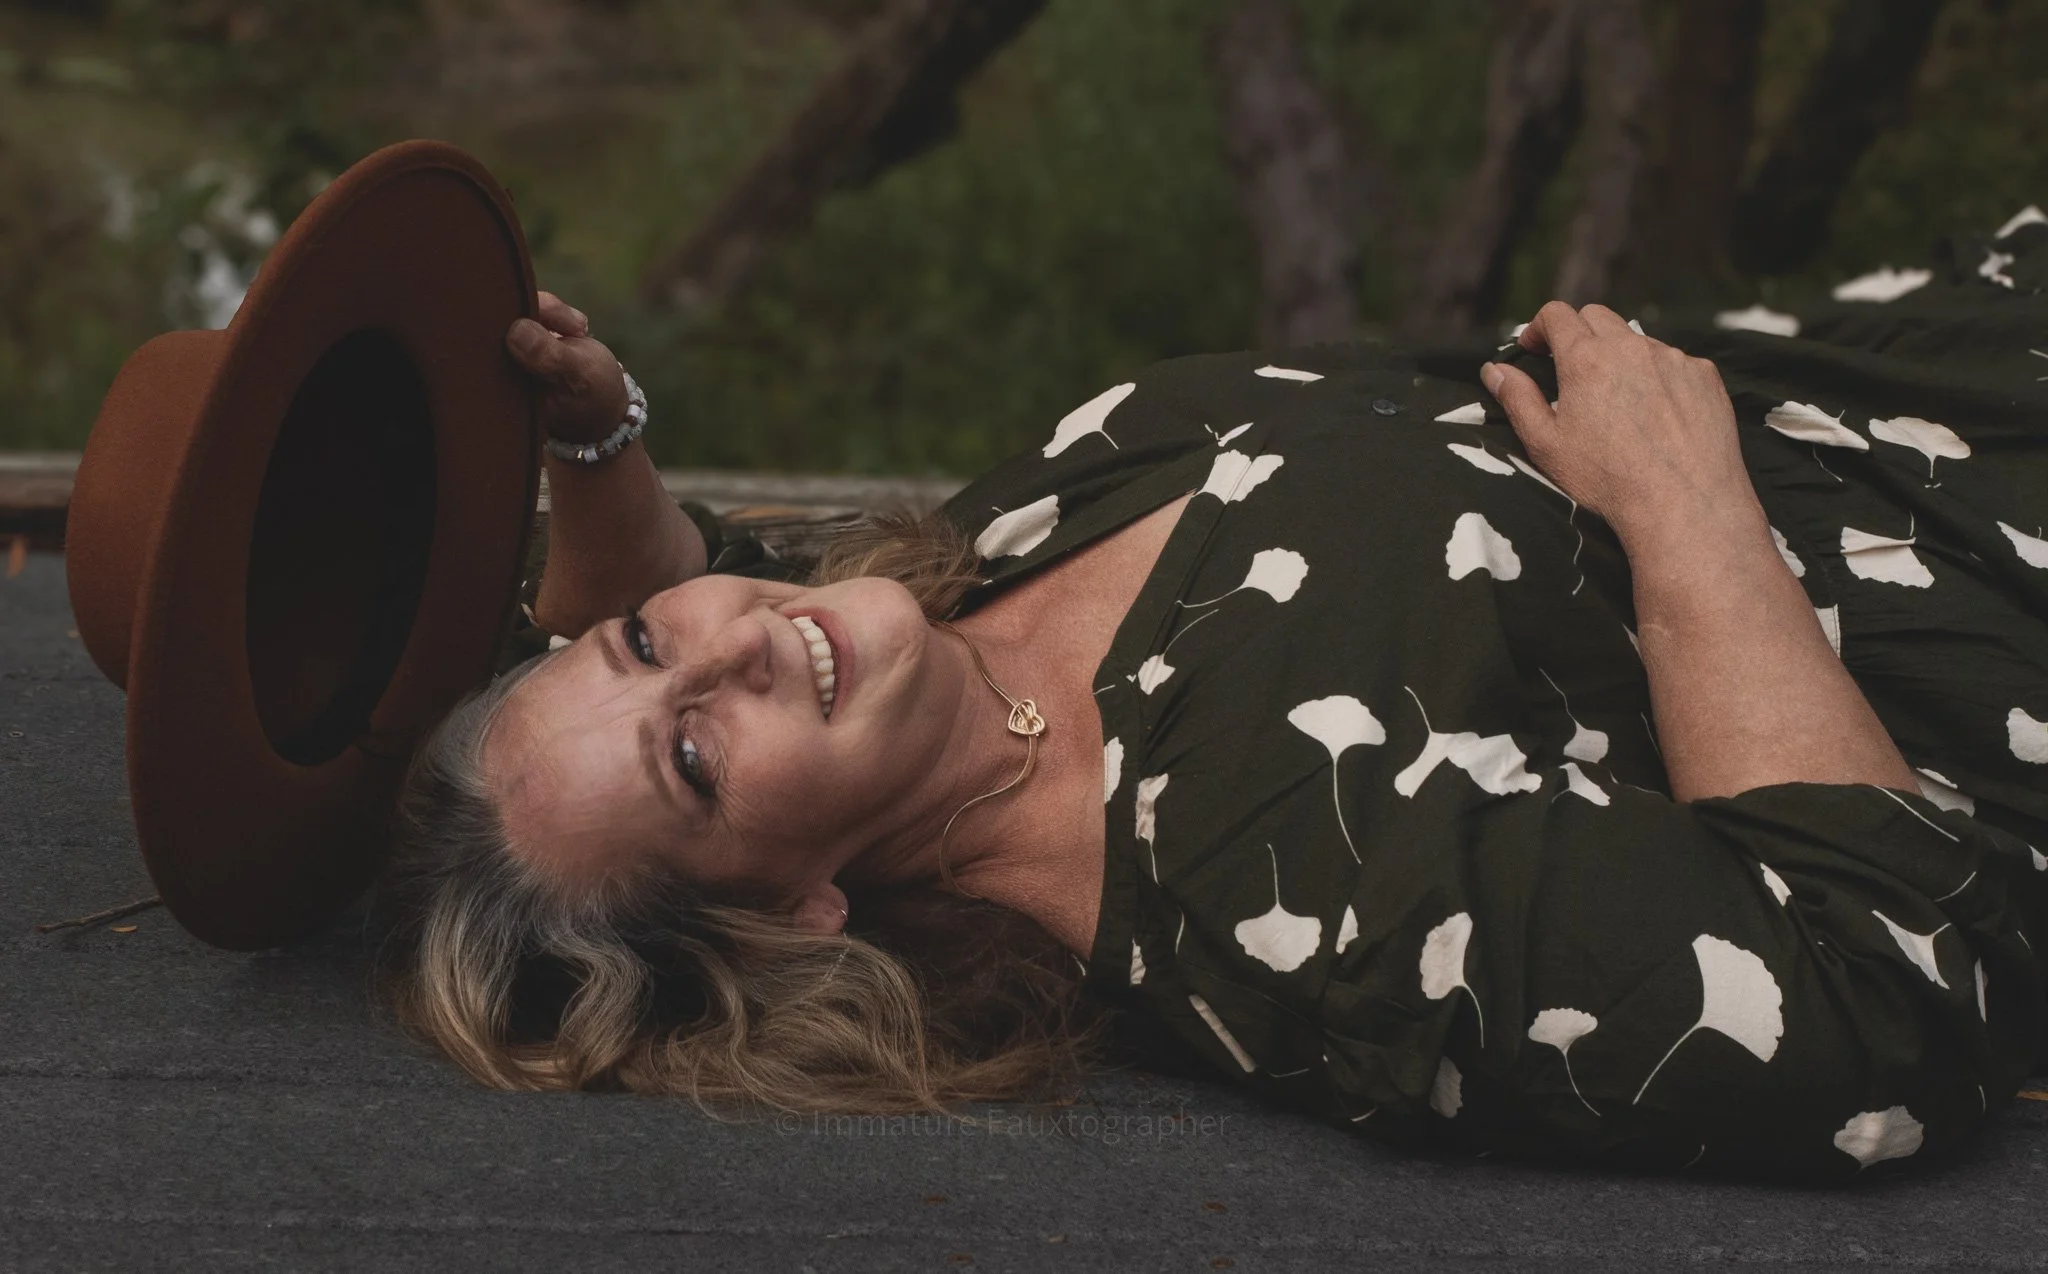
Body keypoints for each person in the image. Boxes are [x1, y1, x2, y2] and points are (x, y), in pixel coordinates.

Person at [375, 216, 2048, 1180]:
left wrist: (595, 443)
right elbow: (1884, 995)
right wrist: (1685, 505)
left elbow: (703, 586)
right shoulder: (1299, 891)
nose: (732, 647)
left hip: (1943, 369)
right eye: (691, 754)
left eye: (641, 643)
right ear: (796, 910)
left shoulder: (964, 582)